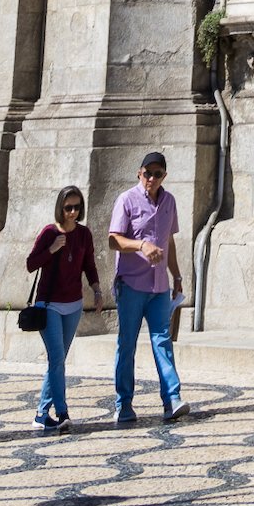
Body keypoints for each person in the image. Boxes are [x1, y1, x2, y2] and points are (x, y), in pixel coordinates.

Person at [107, 150, 185, 423]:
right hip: (131, 284)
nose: (151, 178)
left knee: (162, 341)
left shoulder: (169, 201)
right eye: (147, 173)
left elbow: (169, 242)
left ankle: (172, 399)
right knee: (127, 344)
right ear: (139, 173)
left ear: (164, 176)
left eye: (157, 174)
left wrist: (176, 276)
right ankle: (124, 404)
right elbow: (114, 240)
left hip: (160, 286)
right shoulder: (126, 200)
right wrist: (141, 245)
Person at [24, 185, 104, 433]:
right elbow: (30, 264)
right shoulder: (49, 233)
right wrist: (51, 249)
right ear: (60, 207)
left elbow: (89, 265)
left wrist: (97, 290)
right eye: (68, 207)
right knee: (57, 360)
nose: (72, 212)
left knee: (57, 362)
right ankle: (62, 412)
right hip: (49, 306)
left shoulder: (83, 234)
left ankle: (40, 414)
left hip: (74, 305)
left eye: (77, 207)